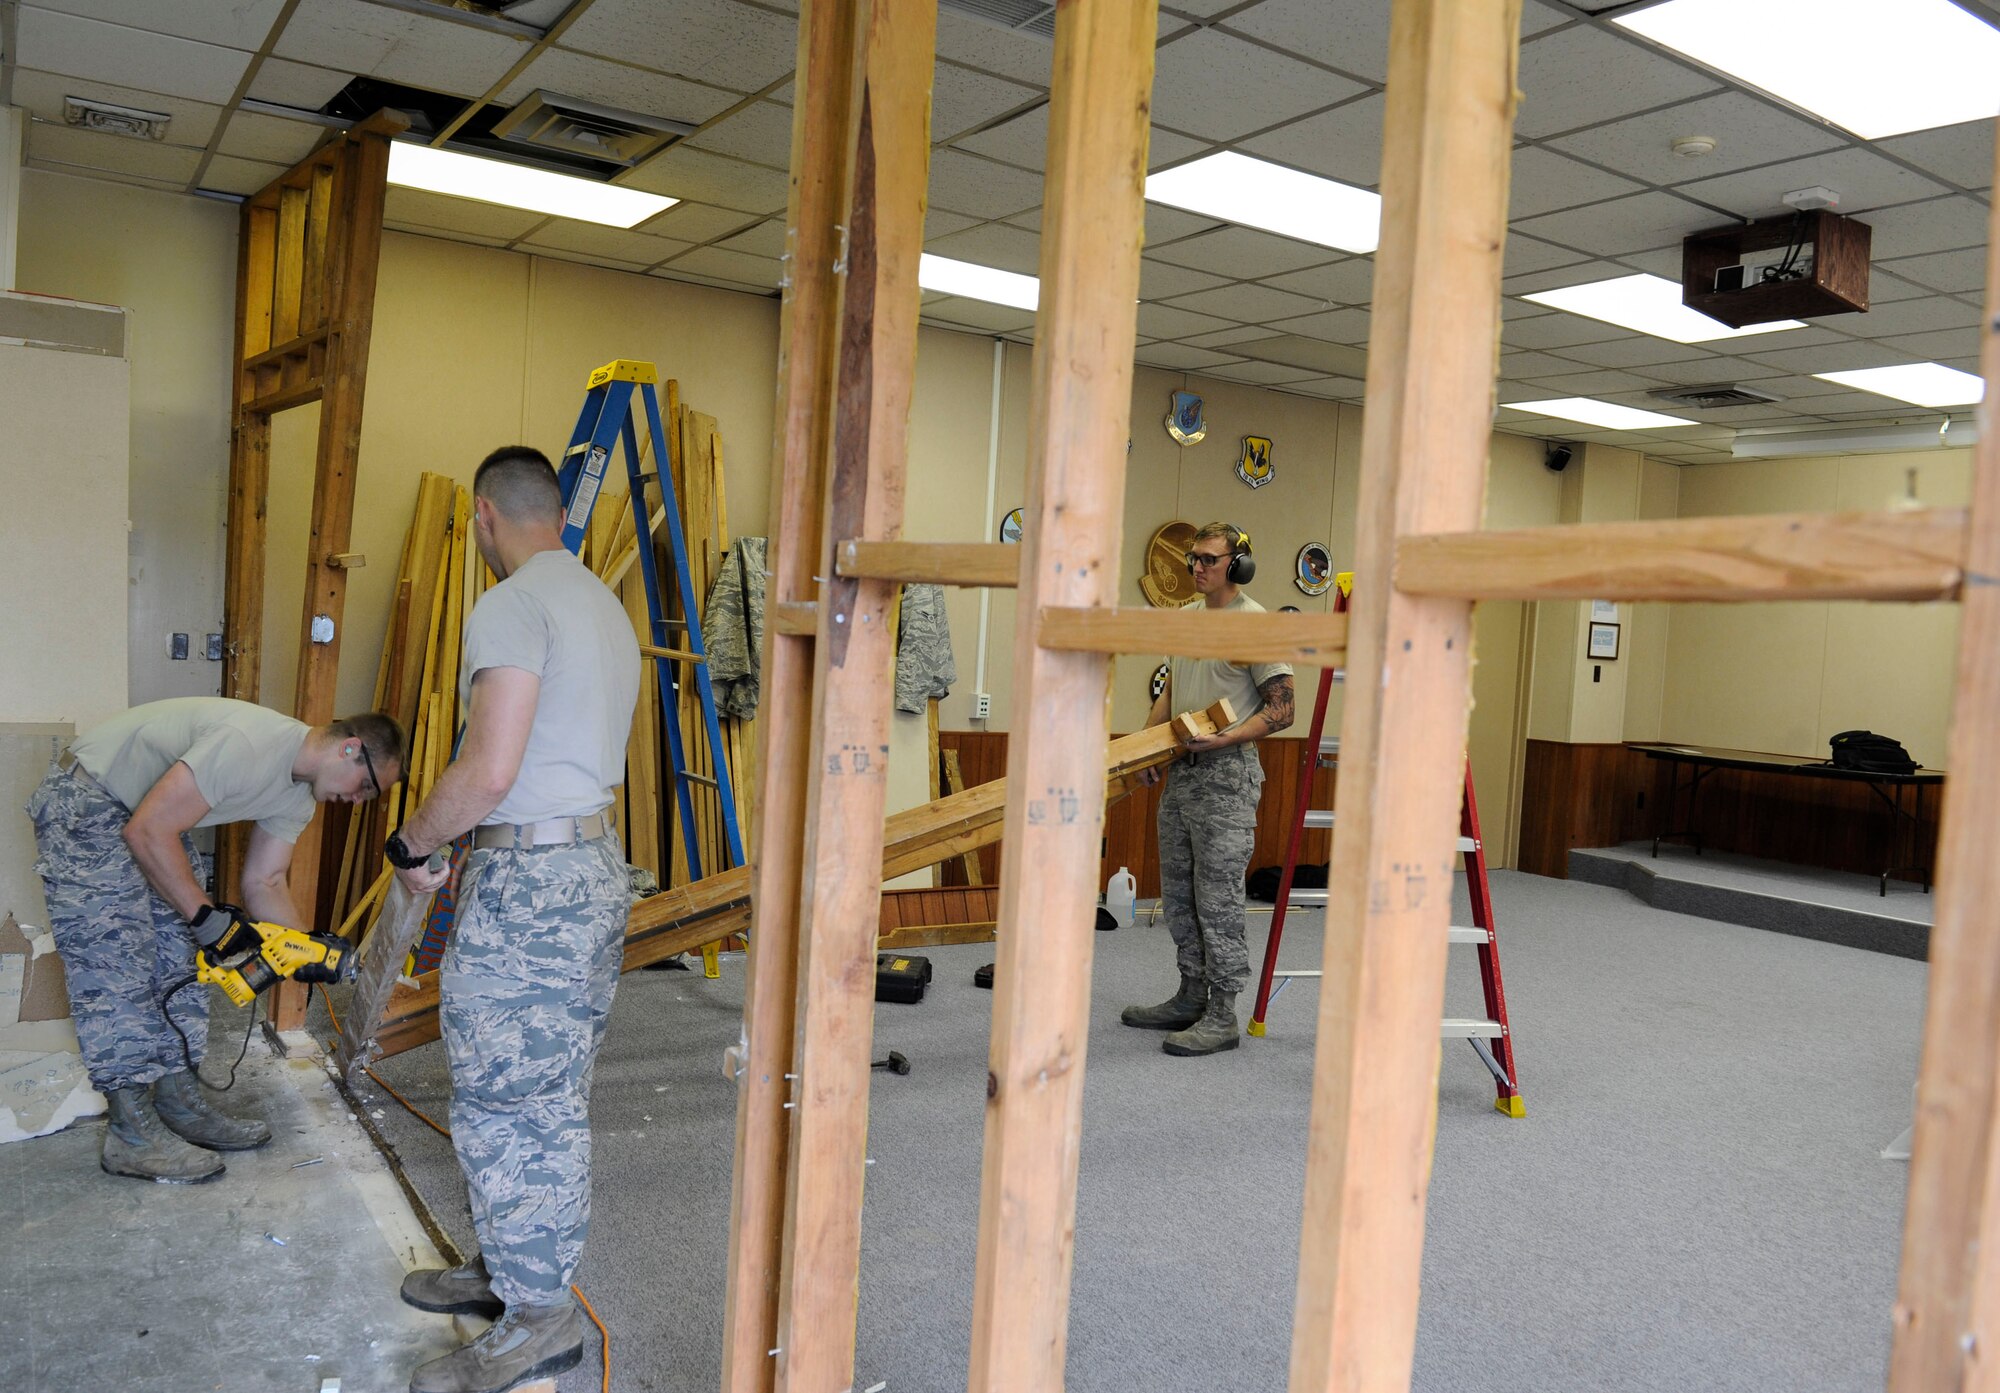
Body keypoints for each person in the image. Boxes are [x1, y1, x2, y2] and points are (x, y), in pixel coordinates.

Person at [387, 445, 639, 1393]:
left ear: (485, 515)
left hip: (529, 883)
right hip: (588, 866)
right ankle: (508, 1269)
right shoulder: (600, 602)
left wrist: (414, 843)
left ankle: (539, 1319)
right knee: (543, 1089)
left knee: (509, 1101)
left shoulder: (510, 602)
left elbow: (489, 769)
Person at [26, 699, 403, 1182]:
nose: (359, 800)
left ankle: (178, 1101)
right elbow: (147, 831)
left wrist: (303, 950)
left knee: (178, 957)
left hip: (149, 814)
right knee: (116, 964)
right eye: (366, 786)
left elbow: (265, 882)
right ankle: (131, 1135)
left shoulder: (299, 795)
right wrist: (205, 917)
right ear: (350, 749)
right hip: (89, 799)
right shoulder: (250, 744)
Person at [1121, 522, 1295, 1057]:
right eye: (1193, 559)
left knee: (1217, 899)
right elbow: (1170, 692)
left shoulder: (1256, 626)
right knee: (1178, 895)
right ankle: (1190, 993)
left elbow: (1283, 710)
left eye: (1209, 560)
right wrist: (1149, 750)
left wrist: (1226, 737)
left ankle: (1222, 1012)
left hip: (1227, 777)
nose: (1196, 568)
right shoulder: (1184, 619)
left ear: (1237, 565)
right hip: (1182, 774)